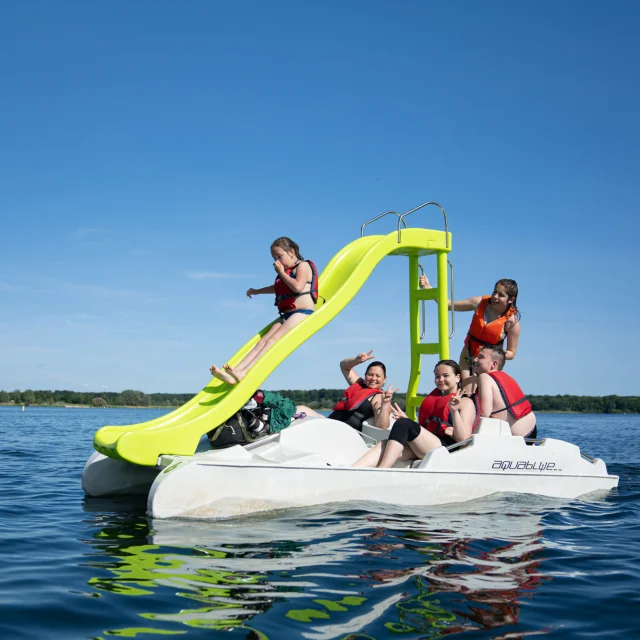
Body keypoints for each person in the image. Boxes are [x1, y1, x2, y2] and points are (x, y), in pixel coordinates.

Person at [210, 237, 318, 384]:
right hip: (287, 314)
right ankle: (235, 372)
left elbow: (298, 287)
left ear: (292, 252)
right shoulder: (286, 271)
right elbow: (279, 288)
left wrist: (281, 273)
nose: (277, 261)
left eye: (279, 256)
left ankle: (244, 373)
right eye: (274, 258)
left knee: (272, 340)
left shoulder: (303, 266)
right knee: (262, 341)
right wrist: (258, 291)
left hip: (302, 312)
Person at [353, 360, 478, 468]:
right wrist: (407, 419)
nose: (441, 380)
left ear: (457, 377)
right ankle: (353, 470)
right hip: (428, 445)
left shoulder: (465, 403)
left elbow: (464, 440)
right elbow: (426, 429)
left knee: (404, 424)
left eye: (446, 376)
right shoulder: (435, 399)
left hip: (448, 449)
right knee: (384, 444)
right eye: (437, 376)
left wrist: (454, 411)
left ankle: (382, 471)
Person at [419, 275, 520, 379]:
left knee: (482, 391)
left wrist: (489, 353)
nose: (495, 296)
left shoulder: (512, 322)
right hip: (467, 357)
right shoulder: (478, 302)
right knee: (466, 390)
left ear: (511, 299)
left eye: (501, 295)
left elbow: (511, 353)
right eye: (495, 291)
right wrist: (429, 288)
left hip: (488, 366)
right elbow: (448, 304)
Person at [295, 350, 398, 430]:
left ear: (384, 379)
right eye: (370, 375)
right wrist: (356, 361)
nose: (373, 378)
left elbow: (382, 426)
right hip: (330, 423)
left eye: (378, 376)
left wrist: (385, 403)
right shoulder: (359, 384)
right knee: (299, 409)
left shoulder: (380, 398)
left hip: (346, 433)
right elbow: (343, 366)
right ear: (365, 375)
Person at [472, 345, 537, 438]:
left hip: (518, 436)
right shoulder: (506, 376)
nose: (475, 360)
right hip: (532, 428)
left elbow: (485, 413)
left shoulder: (485, 377)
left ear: (493, 364)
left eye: (481, 357)